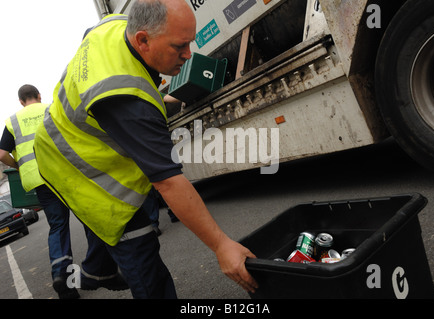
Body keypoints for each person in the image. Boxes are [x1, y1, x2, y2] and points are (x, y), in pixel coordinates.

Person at [33, 0, 258, 299]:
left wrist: (163, 97)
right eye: (180, 46)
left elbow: (115, 69)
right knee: (137, 242)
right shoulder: (128, 105)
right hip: (74, 166)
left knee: (115, 226)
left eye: (190, 43)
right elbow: (167, 181)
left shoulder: (112, 24)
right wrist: (221, 246)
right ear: (142, 40)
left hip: (67, 141)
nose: (189, 54)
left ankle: (96, 269)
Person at [0, 85, 127, 299]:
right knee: (89, 218)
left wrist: (20, 166)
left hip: (39, 179)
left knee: (58, 226)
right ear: (39, 96)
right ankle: (99, 267)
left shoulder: (12, 121)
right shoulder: (51, 109)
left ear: (21, 101)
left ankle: (62, 277)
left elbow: (2, 154)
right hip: (64, 173)